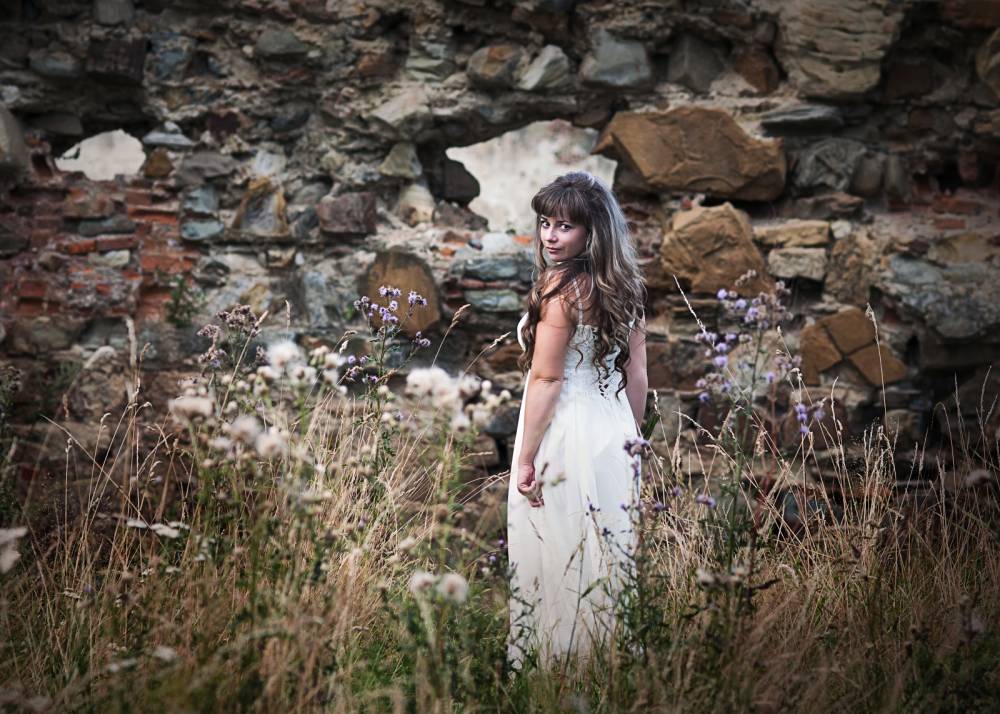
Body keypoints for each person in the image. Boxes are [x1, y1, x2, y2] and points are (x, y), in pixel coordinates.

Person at [506, 171, 648, 671]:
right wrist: (631, 445)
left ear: (593, 231)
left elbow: (547, 379)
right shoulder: (627, 287)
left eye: (565, 226)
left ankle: (555, 668)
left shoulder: (558, 287)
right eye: (545, 223)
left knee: (557, 549)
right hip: (613, 429)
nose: (550, 236)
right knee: (606, 550)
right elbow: (637, 378)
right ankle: (607, 665)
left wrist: (526, 458)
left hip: (564, 429)